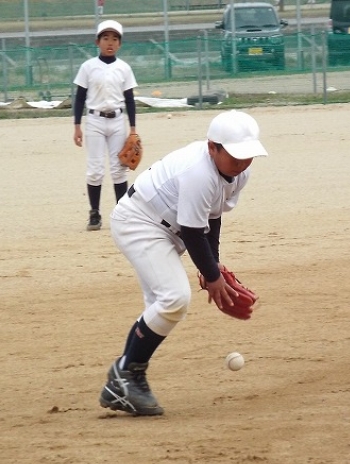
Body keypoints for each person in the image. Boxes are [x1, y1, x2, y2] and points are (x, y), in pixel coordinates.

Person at [99, 110, 268, 416]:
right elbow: (192, 231)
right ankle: (126, 376)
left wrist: (212, 265)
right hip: (140, 223)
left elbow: (212, 217)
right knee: (174, 298)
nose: (243, 162)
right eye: (235, 155)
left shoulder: (239, 173)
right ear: (212, 147)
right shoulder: (198, 172)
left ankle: (123, 380)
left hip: (166, 229)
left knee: (161, 309)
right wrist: (212, 276)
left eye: (248, 155)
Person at [72, 20, 139, 231]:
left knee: (119, 169)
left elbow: (130, 100)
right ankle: (94, 213)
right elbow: (80, 98)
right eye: (106, 38)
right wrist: (77, 126)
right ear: (97, 42)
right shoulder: (88, 67)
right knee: (95, 170)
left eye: (115, 39)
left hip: (118, 121)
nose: (110, 42)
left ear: (120, 43)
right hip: (94, 121)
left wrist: (133, 129)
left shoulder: (124, 68)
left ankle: (122, 213)